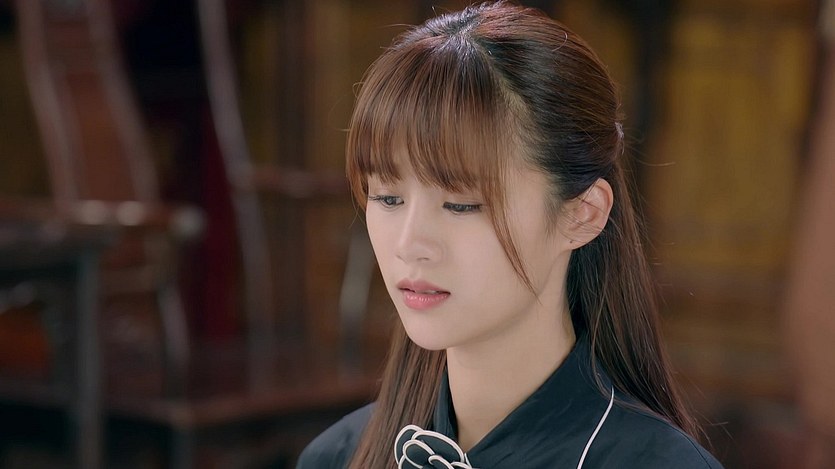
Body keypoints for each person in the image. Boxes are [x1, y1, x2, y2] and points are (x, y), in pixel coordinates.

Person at [298, 2, 723, 468]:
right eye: (387, 198)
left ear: (582, 214)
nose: (409, 245)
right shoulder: (338, 457)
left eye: (461, 204)